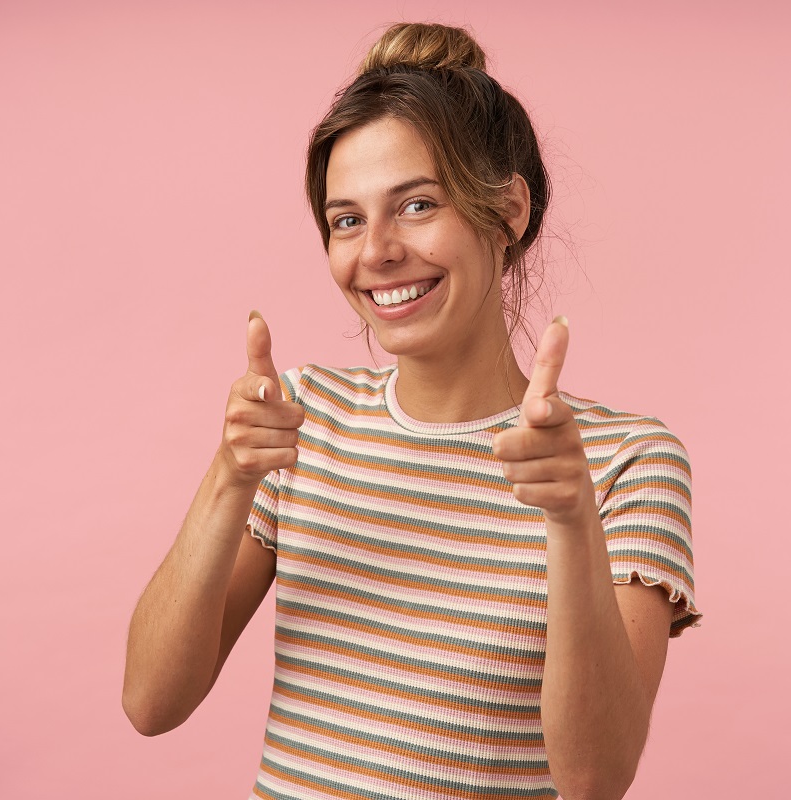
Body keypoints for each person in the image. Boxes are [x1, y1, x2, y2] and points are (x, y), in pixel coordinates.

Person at [123, 22, 699, 800]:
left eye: (418, 204)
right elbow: (151, 703)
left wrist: (570, 522)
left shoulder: (626, 461)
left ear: (509, 211)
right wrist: (229, 476)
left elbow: (595, 780)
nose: (378, 252)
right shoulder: (301, 418)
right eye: (347, 219)